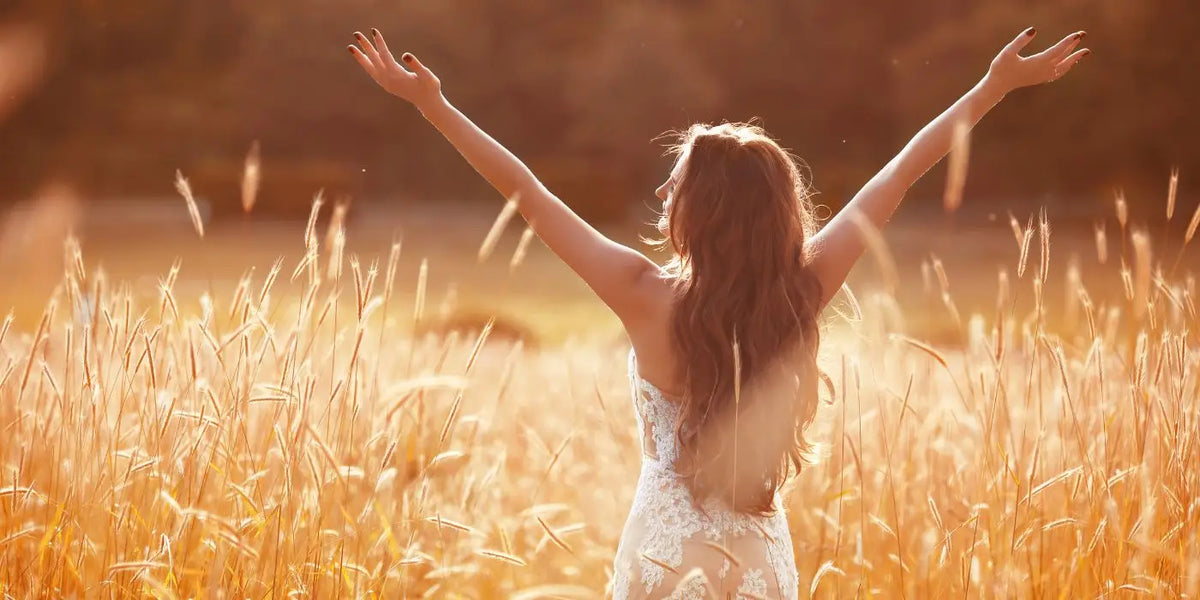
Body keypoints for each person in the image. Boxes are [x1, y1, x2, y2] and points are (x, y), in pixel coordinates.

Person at [348, 25, 1088, 599]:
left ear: (701, 212)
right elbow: (898, 174)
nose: (665, 196)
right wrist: (991, 89)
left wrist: (434, 106)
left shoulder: (639, 292)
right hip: (758, 563)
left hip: (662, 557)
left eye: (676, 187)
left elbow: (528, 194)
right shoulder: (802, 290)